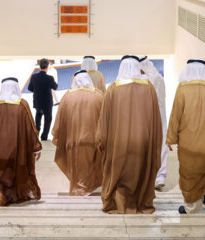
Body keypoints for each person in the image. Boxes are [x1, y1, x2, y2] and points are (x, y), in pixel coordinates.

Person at [96, 55, 162, 214]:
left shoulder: (113, 88)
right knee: (140, 171)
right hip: (143, 140)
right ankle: (140, 203)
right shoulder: (149, 88)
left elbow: (104, 119)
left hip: (118, 142)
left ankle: (119, 203)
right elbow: (155, 119)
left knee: (119, 173)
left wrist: (101, 140)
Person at [167, 60, 205, 214]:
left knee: (190, 174)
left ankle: (192, 207)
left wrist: (170, 138)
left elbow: (176, 116)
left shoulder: (183, 89)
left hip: (189, 143)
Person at [0, 77, 42, 206]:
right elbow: (30, 129)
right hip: (15, 150)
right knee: (14, 172)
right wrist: (36, 147)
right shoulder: (22, 104)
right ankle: (11, 195)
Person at [52, 70, 103, 196]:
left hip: (72, 142)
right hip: (93, 142)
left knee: (76, 170)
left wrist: (58, 135)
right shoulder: (99, 95)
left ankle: (78, 191)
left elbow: (59, 121)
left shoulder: (67, 96)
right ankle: (87, 189)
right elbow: (105, 120)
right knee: (90, 169)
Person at [140, 56, 168, 189]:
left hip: (143, 117)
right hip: (159, 116)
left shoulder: (140, 81)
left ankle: (146, 177)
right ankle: (160, 176)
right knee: (160, 146)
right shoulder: (158, 78)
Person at [28, 58, 58, 140]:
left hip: (37, 102)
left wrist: (37, 90)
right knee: (47, 120)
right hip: (47, 103)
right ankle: (44, 137)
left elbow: (30, 88)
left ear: (40, 66)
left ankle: (36, 136)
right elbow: (55, 87)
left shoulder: (34, 77)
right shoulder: (50, 78)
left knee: (38, 119)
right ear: (47, 66)